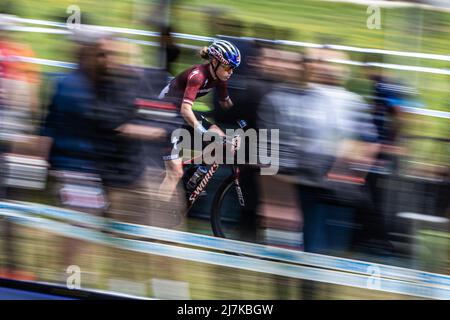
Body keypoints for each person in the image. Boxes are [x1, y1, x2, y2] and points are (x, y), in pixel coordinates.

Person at [157, 39, 241, 205]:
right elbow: (185, 110)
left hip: (177, 112)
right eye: (227, 66)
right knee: (175, 172)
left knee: (220, 136)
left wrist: (244, 121)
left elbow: (228, 106)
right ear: (215, 62)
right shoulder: (198, 76)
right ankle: (156, 218)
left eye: (233, 68)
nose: (230, 71)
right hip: (163, 114)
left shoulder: (221, 77)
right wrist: (201, 131)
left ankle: (197, 172)